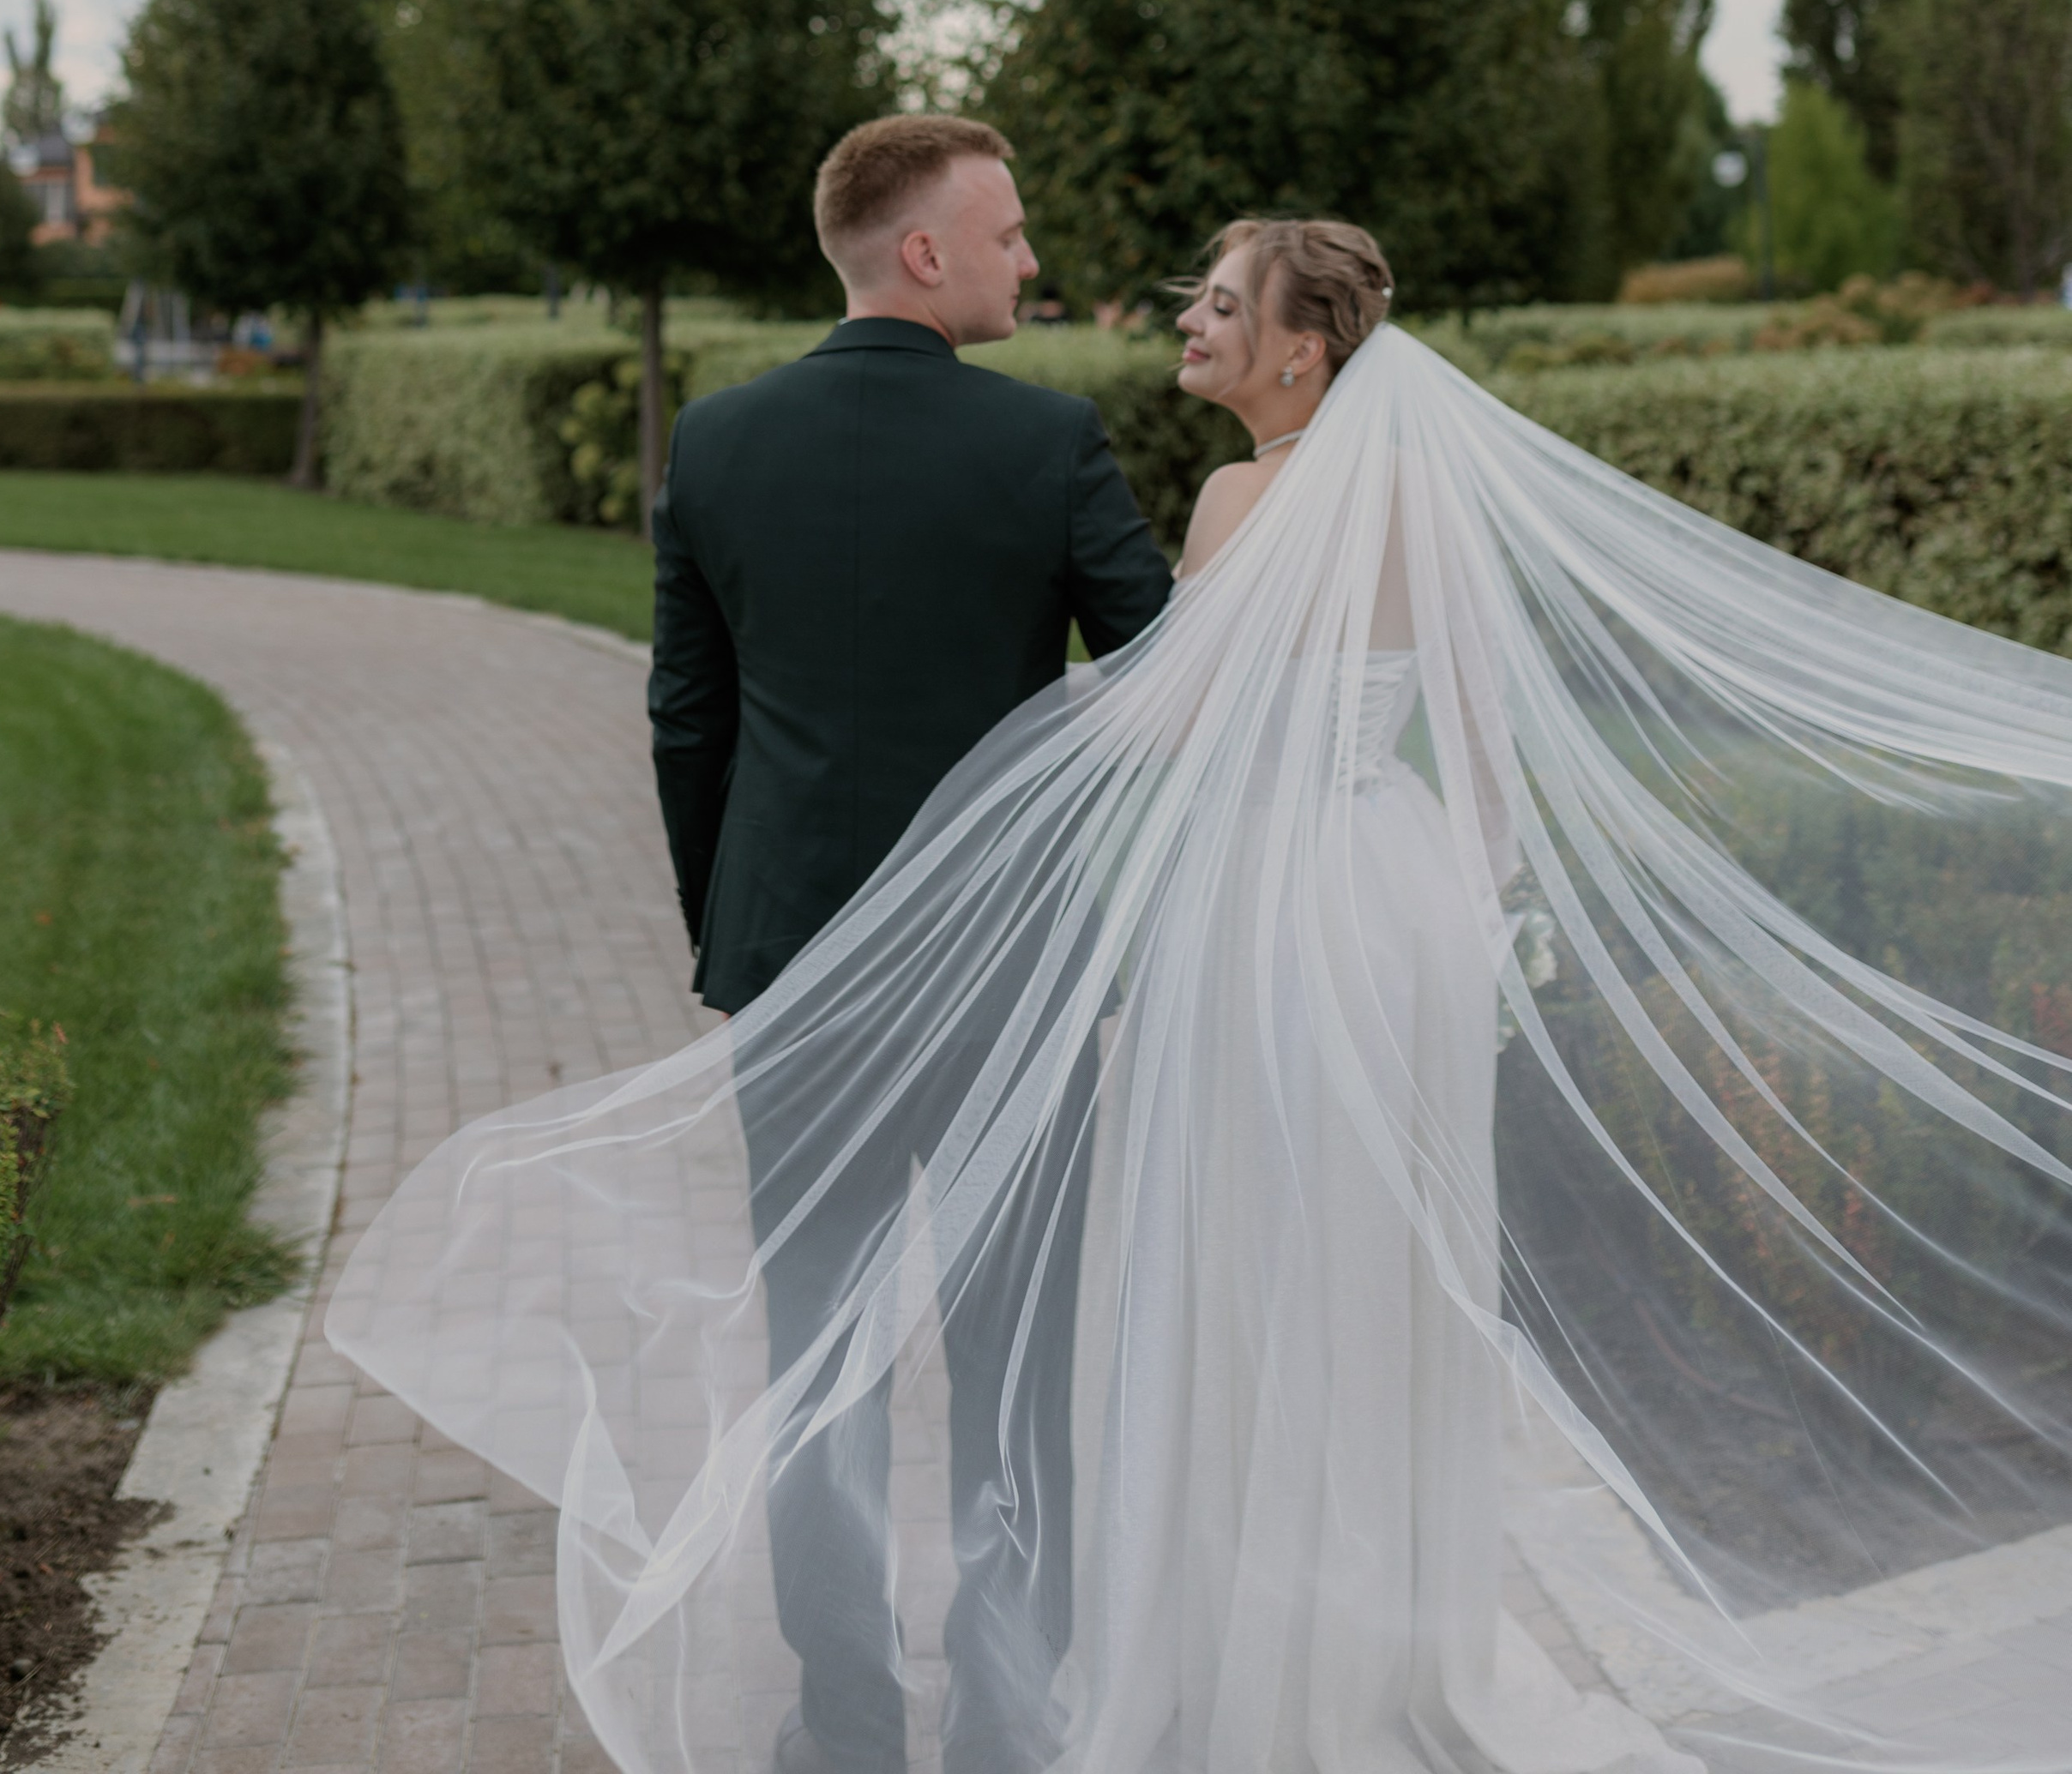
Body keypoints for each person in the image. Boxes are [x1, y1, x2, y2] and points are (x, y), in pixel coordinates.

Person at [329, 212, 2072, 1774]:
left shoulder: (1174, 490)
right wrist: (1471, 912)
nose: (1182, 316)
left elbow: (1127, 709)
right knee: (1343, 1285)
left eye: (1218, 301)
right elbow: (1470, 738)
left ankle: (885, 1719)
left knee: (1138, 1293)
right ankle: (1265, 1669)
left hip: (1223, 912)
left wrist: (881, 837)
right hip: (1388, 900)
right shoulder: (1365, 487)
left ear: (1297, 348)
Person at [648, 115, 1174, 1774]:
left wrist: (738, 935)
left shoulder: (718, 443)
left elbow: (688, 727)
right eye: (1010, 233)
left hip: (797, 984)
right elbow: (1170, 688)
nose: (1035, 259)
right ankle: (1008, 1722)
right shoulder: (1049, 448)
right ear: (925, 252)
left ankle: (849, 1726)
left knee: (823, 1364)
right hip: (1010, 982)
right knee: (1020, 1361)